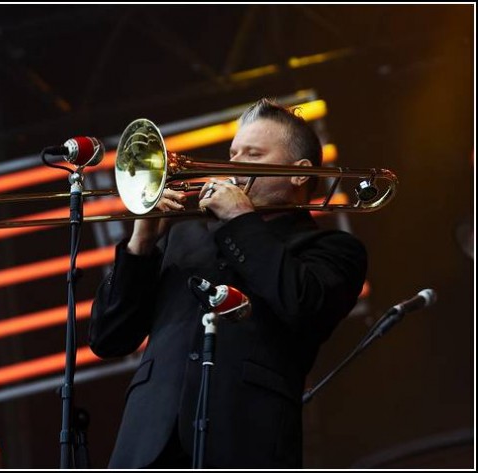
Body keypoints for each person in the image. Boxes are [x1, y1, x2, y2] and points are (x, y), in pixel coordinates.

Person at [89, 98, 367, 468]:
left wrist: (241, 219)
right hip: (147, 442)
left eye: (253, 155)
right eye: (233, 153)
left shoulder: (332, 248)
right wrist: (140, 245)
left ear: (299, 174)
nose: (233, 167)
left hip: (245, 441)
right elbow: (109, 339)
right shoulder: (183, 236)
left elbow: (304, 306)